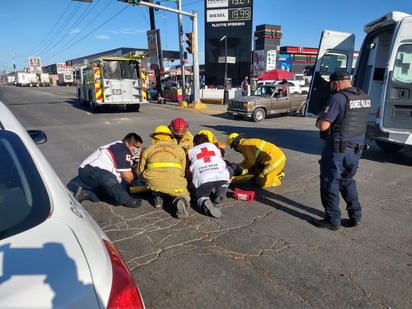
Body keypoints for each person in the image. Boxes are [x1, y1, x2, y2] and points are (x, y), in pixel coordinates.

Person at [313, 70, 371, 231]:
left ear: (336, 83)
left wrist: (319, 121)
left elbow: (324, 125)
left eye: (331, 84)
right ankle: (356, 216)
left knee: (330, 182)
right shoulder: (364, 96)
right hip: (356, 150)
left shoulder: (338, 98)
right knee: (347, 181)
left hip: (338, 151)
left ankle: (333, 220)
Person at [76, 132, 143, 208]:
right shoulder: (121, 149)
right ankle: (127, 201)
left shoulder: (127, 152)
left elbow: (132, 167)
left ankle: (89, 194)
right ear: (129, 144)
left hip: (102, 175)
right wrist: (135, 184)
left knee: (118, 194)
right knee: (109, 180)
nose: (138, 149)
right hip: (89, 170)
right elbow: (127, 176)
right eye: (137, 147)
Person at [137, 125, 190, 219]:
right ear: (170, 137)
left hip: (153, 182)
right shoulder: (179, 149)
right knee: (182, 191)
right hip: (174, 181)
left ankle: (157, 196)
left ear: (154, 137)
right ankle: (180, 200)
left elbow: (140, 171)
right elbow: (182, 171)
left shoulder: (148, 150)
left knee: (153, 180)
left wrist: (145, 180)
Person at [187, 134, 232, 218]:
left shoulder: (191, 151)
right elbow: (222, 161)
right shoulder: (214, 147)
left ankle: (204, 201)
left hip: (204, 180)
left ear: (194, 143)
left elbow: (188, 170)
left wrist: (191, 184)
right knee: (229, 169)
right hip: (222, 176)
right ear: (207, 141)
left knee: (200, 197)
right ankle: (220, 192)